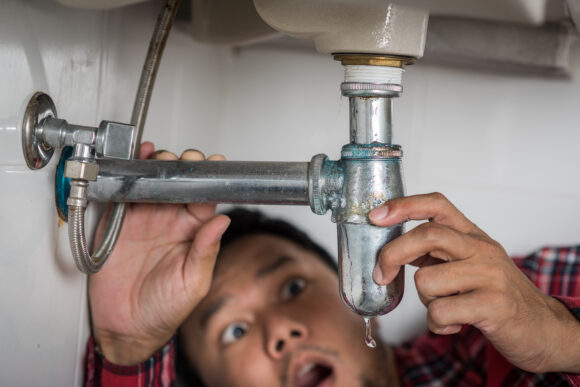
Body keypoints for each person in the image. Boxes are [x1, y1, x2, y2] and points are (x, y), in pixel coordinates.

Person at [85, 143, 580, 387]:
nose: (280, 331)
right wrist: (129, 348)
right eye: (232, 332)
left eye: (293, 286)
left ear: (350, 278)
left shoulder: (500, 314)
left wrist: (563, 338)